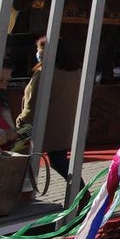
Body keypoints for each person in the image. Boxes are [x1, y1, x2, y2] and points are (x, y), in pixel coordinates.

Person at [16, 35, 84, 179]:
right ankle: (81, 192)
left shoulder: (44, 74)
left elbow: (31, 103)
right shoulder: (74, 72)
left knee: (19, 162)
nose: (38, 54)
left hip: (39, 126)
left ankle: (21, 194)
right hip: (64, 125)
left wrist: (21, 122)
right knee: (59, 160)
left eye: (39, 50)